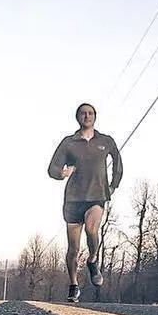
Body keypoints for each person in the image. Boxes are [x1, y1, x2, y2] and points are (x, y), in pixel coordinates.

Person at [47, 102, 123, 303]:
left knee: (92, 230)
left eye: (90, 113)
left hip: (97, 196)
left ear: (95, 117)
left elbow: (118, 163)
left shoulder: (105, 141)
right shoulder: (69, 143)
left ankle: (92, 259)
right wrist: (61, 173)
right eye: (83, 113)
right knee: (73, 248)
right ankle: (73, 284)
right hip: (73, 199)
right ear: (78, 117)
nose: (87, 116)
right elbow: (52, 168)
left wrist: (113, 185)